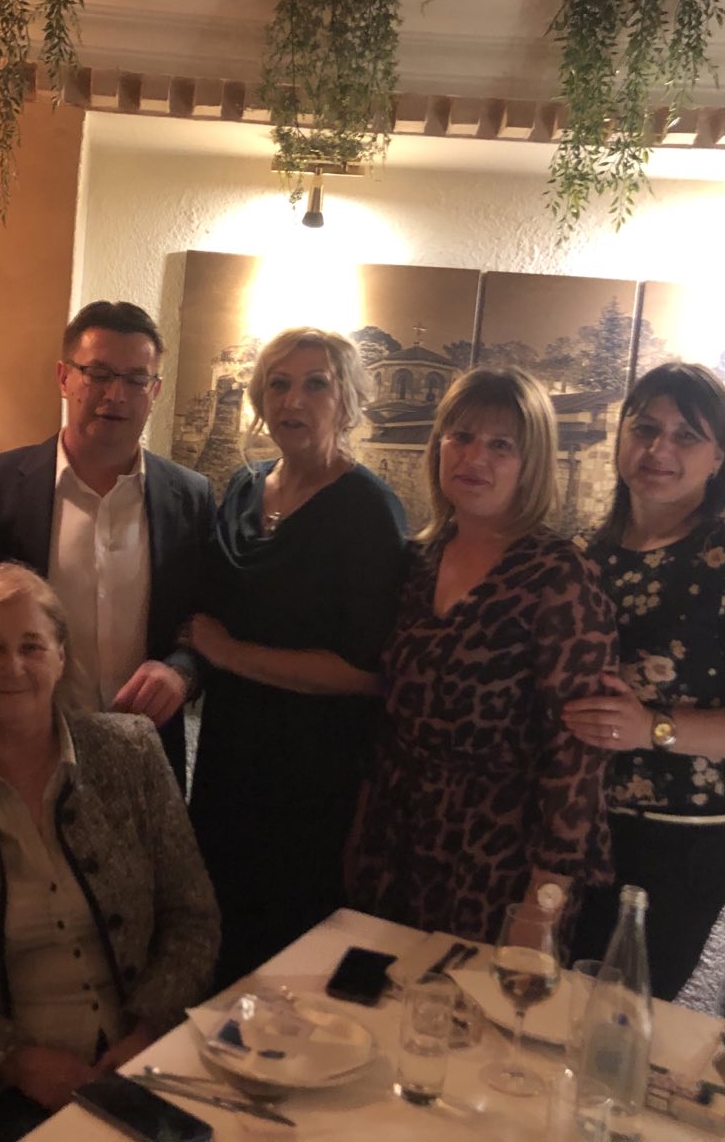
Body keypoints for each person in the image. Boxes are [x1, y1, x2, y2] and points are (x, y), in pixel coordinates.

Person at [0, 563, 219, 1142]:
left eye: (32, 646)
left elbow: (193, 918)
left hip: (148, 1068)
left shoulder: (131, 754)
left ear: (61, 656)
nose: (13, 666)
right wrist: (12, 1061)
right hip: (0, 1098)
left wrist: (146, 1034)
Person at [564, 362, 725, 1000]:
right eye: (644, 428)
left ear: (718, 458)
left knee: (611, 1022)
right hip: (565, 823)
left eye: (686, 436)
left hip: (674, 843)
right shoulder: (583, 554)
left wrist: (653, 728)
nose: (659, 449)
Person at [348, 368, 619, 946]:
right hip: (397, 831)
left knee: (469, 1000)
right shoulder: (420, 561)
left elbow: (576, 760)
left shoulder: (560, 575)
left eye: (501, 445)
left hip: (499, 852)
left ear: (532, 463)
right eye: (461, 436)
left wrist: (545, 900)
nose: (475, 457)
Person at [185, 327, 406, 986]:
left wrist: (229, 653)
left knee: (294, 962)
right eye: (278, 384)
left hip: (315, 776)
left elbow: (367, 674)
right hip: (229, 757)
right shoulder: (243, 486)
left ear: (348, 399)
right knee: (219, 937)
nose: (294, 399)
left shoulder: (368, 510)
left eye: (317, 384)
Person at [0, 301, 214, 788]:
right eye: (98, 374)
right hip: (18, 758)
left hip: (145, 757)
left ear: (155, 391)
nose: (115, 395)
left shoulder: (191, 497)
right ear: (64, 377)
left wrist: (181, 672)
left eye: (136, 379)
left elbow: (206, 614)